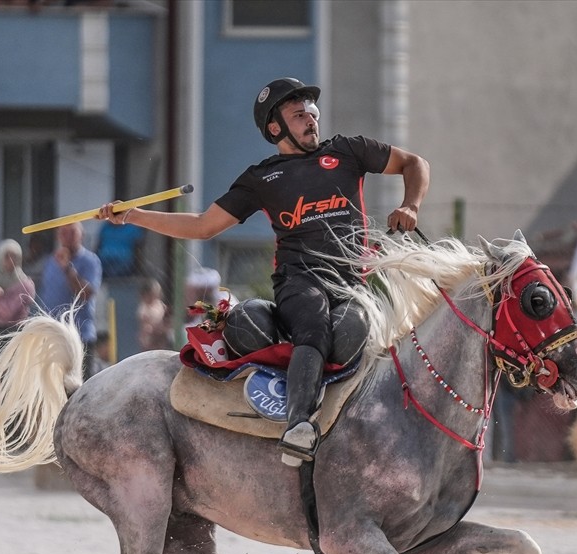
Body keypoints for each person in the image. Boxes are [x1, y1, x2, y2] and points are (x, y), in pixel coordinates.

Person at [99, 77, 429, 463]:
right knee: (314, 320)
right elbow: (203, 226)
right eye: (298, 114)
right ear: (275, 128)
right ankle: (299, 426)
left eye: (311, 112)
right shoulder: (262, 178)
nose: (311, 119)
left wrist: (411, 205)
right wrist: (134, 215)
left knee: (357, 329)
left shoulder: (349, 150)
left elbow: (414, 164)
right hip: (299, 281)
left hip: (351, 285)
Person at [37, 222, 103, 379]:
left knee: (81, 386)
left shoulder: (90, 261)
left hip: (80, 337)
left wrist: (67, 269)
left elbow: (85, 294)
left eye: (72, 232)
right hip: (53, 336)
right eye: (63, 233)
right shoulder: (50, 261)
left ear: (82, 235)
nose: (67, 237)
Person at [137, 278, 172, 351]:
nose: (159, 294)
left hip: (162, 336)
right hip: (151, 338)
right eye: (155, 291)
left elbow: (166, 315)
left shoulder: (159, 304)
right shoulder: (144, 308)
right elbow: (146, 326)